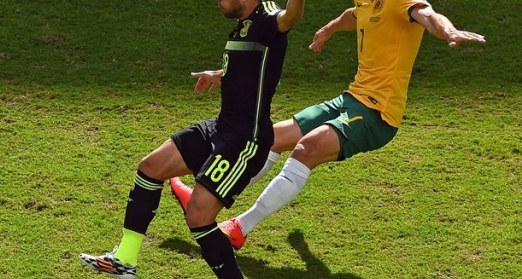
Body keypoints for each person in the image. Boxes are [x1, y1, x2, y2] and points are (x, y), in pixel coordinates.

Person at [170, 0, 485, 250]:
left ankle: (240, 227)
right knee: (270, 138)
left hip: (378, 114)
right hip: (351, 98)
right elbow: (354, 15)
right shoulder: (366, 1)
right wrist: (329, 29)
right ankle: (205, 194)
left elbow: (429, 16)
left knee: (307, 148)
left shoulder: (402, 1)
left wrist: (449, 32)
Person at [80, 1, 305, 279]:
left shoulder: (268, 17)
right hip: (221, 126)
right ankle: (125, 259)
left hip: (244, 140)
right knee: (151, 167)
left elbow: (291, 17)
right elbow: (254, 68)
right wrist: (221, 74)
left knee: (199, 215)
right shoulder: (244, 21)